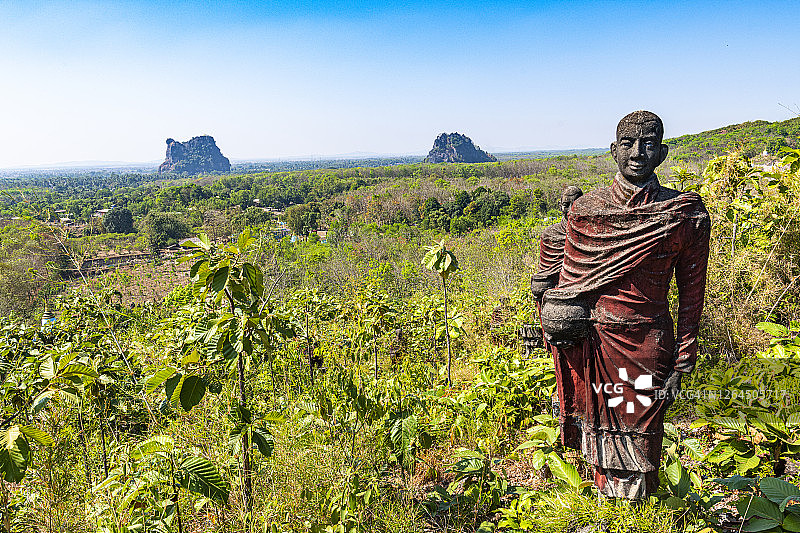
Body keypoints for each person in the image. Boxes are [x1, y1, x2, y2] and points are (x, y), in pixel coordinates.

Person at [541, 111, 711, 499]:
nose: (637, 153)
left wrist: (683, 360)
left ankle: (638, 511)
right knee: (597, 427)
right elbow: (569, 284)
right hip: (596, 340)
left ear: (662, 153)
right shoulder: (586, 211)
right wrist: (554, 317)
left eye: (649, 144)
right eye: (628, 143)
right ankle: (608, 505)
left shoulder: (684, 214)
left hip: (648, 342)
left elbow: (692, 295)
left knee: (643, 432)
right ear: (613, 150)